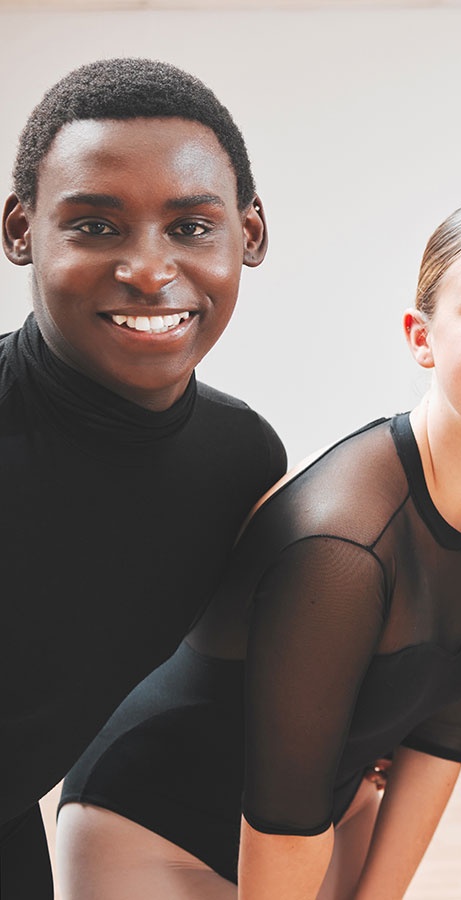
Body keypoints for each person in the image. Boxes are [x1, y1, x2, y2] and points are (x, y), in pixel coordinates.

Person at [54, 190, 461, 899]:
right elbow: (281, 824)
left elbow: (441, 733)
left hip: (321, 813)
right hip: (157, 826)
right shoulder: (343, 547)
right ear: (421, 336)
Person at [0, 58, 280, 898]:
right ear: (21, 231)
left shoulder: (242, 463)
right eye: (94, 226)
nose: (150, 270)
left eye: (192, 227)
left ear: (250, 236)